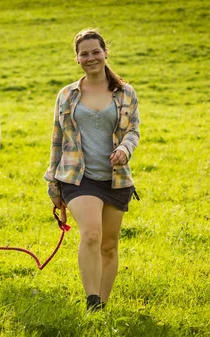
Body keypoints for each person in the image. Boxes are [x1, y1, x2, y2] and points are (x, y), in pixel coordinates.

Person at [44, 29, 140, 312]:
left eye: (95, 51)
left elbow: (133, 130)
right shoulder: (67, 95)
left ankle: (102, 305)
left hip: (115, 179)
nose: (91, 58)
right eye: (84, 53)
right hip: (77, 177)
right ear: (77, 58)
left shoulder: (125, 92)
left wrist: (125, 149)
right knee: (91, 235)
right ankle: (92, 301)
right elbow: (57, 139)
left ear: (105, 53)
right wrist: (53, 183)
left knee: (109, 246)